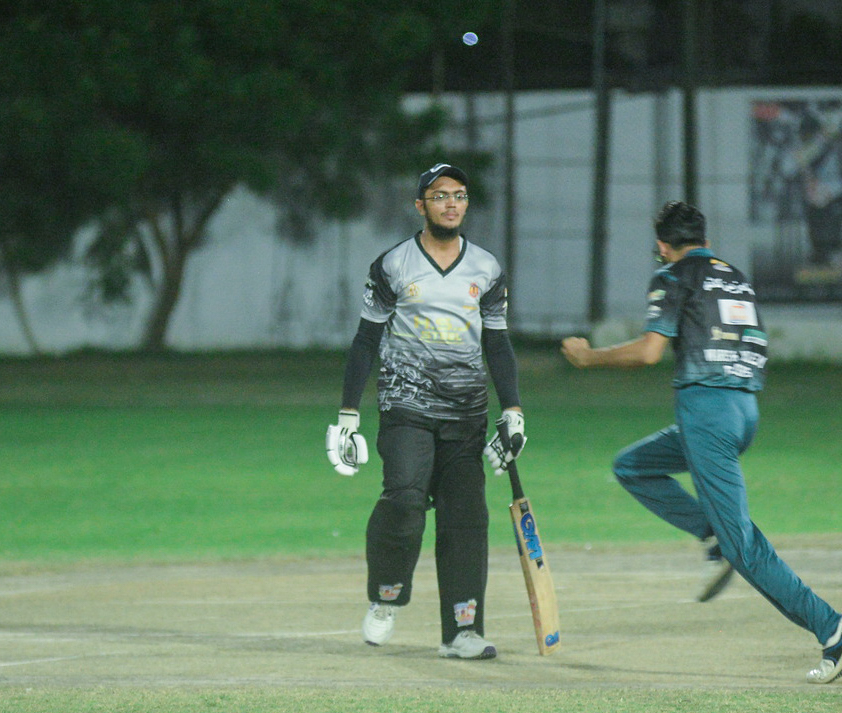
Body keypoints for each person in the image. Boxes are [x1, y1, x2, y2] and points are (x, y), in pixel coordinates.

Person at [560, 200, 842, 684]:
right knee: (633, 466)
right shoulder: (734, 276)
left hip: (707, 413)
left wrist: (589, 358)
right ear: (705, 239)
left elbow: (649, 351)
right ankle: (710, 532)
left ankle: (830, 627)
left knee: (743, 547)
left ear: (662, 245)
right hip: (743, 409)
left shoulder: (673, 274)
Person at [326, 163, 525, 660]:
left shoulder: (486, 268)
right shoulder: (394, 264)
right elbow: (366, 339)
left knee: (466, 520)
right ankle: (386, 596)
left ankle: (462, 631)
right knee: (405, 499)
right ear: (421, 205)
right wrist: (348, 413)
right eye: (440, 196)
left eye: (459, 195)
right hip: (405, 407)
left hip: (466, 415)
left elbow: (498, 344)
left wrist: (513, 412)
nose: (451, 203)